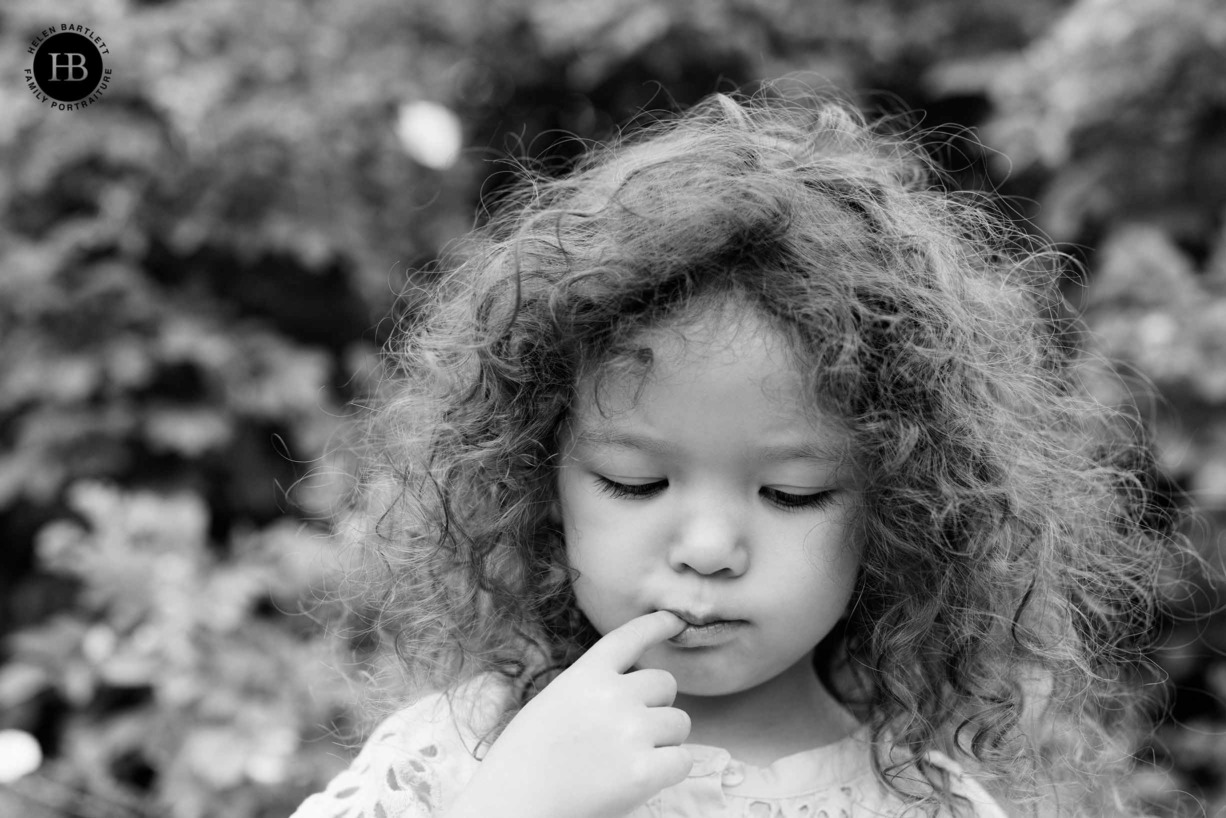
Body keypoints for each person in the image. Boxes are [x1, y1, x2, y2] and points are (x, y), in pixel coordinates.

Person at [292, 91, 1185, 818]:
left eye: (792, 493)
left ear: (905, 514)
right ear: (539, 486)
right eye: (634, 482)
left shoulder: (924, 808)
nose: (709, 547)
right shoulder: (463, 752)